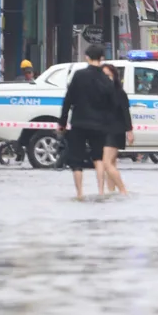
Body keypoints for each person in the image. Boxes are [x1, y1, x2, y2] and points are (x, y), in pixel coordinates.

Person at [57, 44, 119, 200]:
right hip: (99, 125)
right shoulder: (106, 79)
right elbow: (113, 104)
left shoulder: (79, 75)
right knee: (98, 158)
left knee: (76, 160)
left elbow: (68, 100)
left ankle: (79, 194)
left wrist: (62, 122)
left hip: (79, 122)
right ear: (102, 58)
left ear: (87, 57)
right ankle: (100, 191)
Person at [101, 63, 133, 196]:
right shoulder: (100, 93)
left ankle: (123, 191)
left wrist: (129, 131)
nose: (106, 78)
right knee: (111, 163)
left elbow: (126, 112)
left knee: (106, 163)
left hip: (116, 130)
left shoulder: (119, 93)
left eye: (109, 75)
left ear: (114, 76)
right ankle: (111, 192)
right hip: (104, 130)